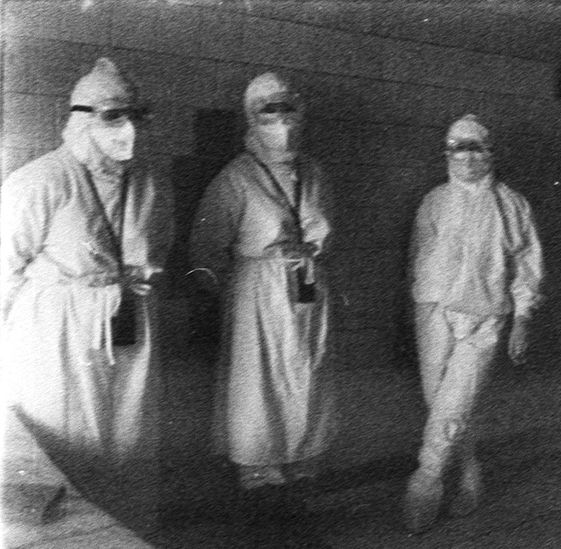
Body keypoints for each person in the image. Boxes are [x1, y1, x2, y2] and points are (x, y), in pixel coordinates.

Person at [1, 58, 171, 525]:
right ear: (81, 117)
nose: (128, 128)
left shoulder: (151, 183)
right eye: (112, 116)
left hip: (130, 326)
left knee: (127, 437)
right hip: (56, 336)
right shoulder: (39, 182)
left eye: (135, 115)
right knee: (67, 440)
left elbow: (159, 247)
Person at [189, 73, 338, 491]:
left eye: (287, 109)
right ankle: (258, 473)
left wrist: (309, 260)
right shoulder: (235, 178)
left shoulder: (314, 173)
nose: (281, 121)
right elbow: (205, 248)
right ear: (251, 118)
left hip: (308, 285)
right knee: (260, 383)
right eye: (268, 111)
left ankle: (302, 465)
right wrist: (230, 294)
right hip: (258, 291)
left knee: (307, 372)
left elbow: (325, 230)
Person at [403, 115, 545, 533]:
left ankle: (425, 482)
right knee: (442, 402)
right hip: (432, 313)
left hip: (483, 316)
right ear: (447, 153)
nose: (467, 156)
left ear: (490, 153)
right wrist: (423, 301)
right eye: (458, 148)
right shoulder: (434, 201)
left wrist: (522, 318)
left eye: (475, 148)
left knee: (454, 402)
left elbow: (527, 266)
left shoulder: (511, 203)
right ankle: (468, 470)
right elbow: (418, 257)